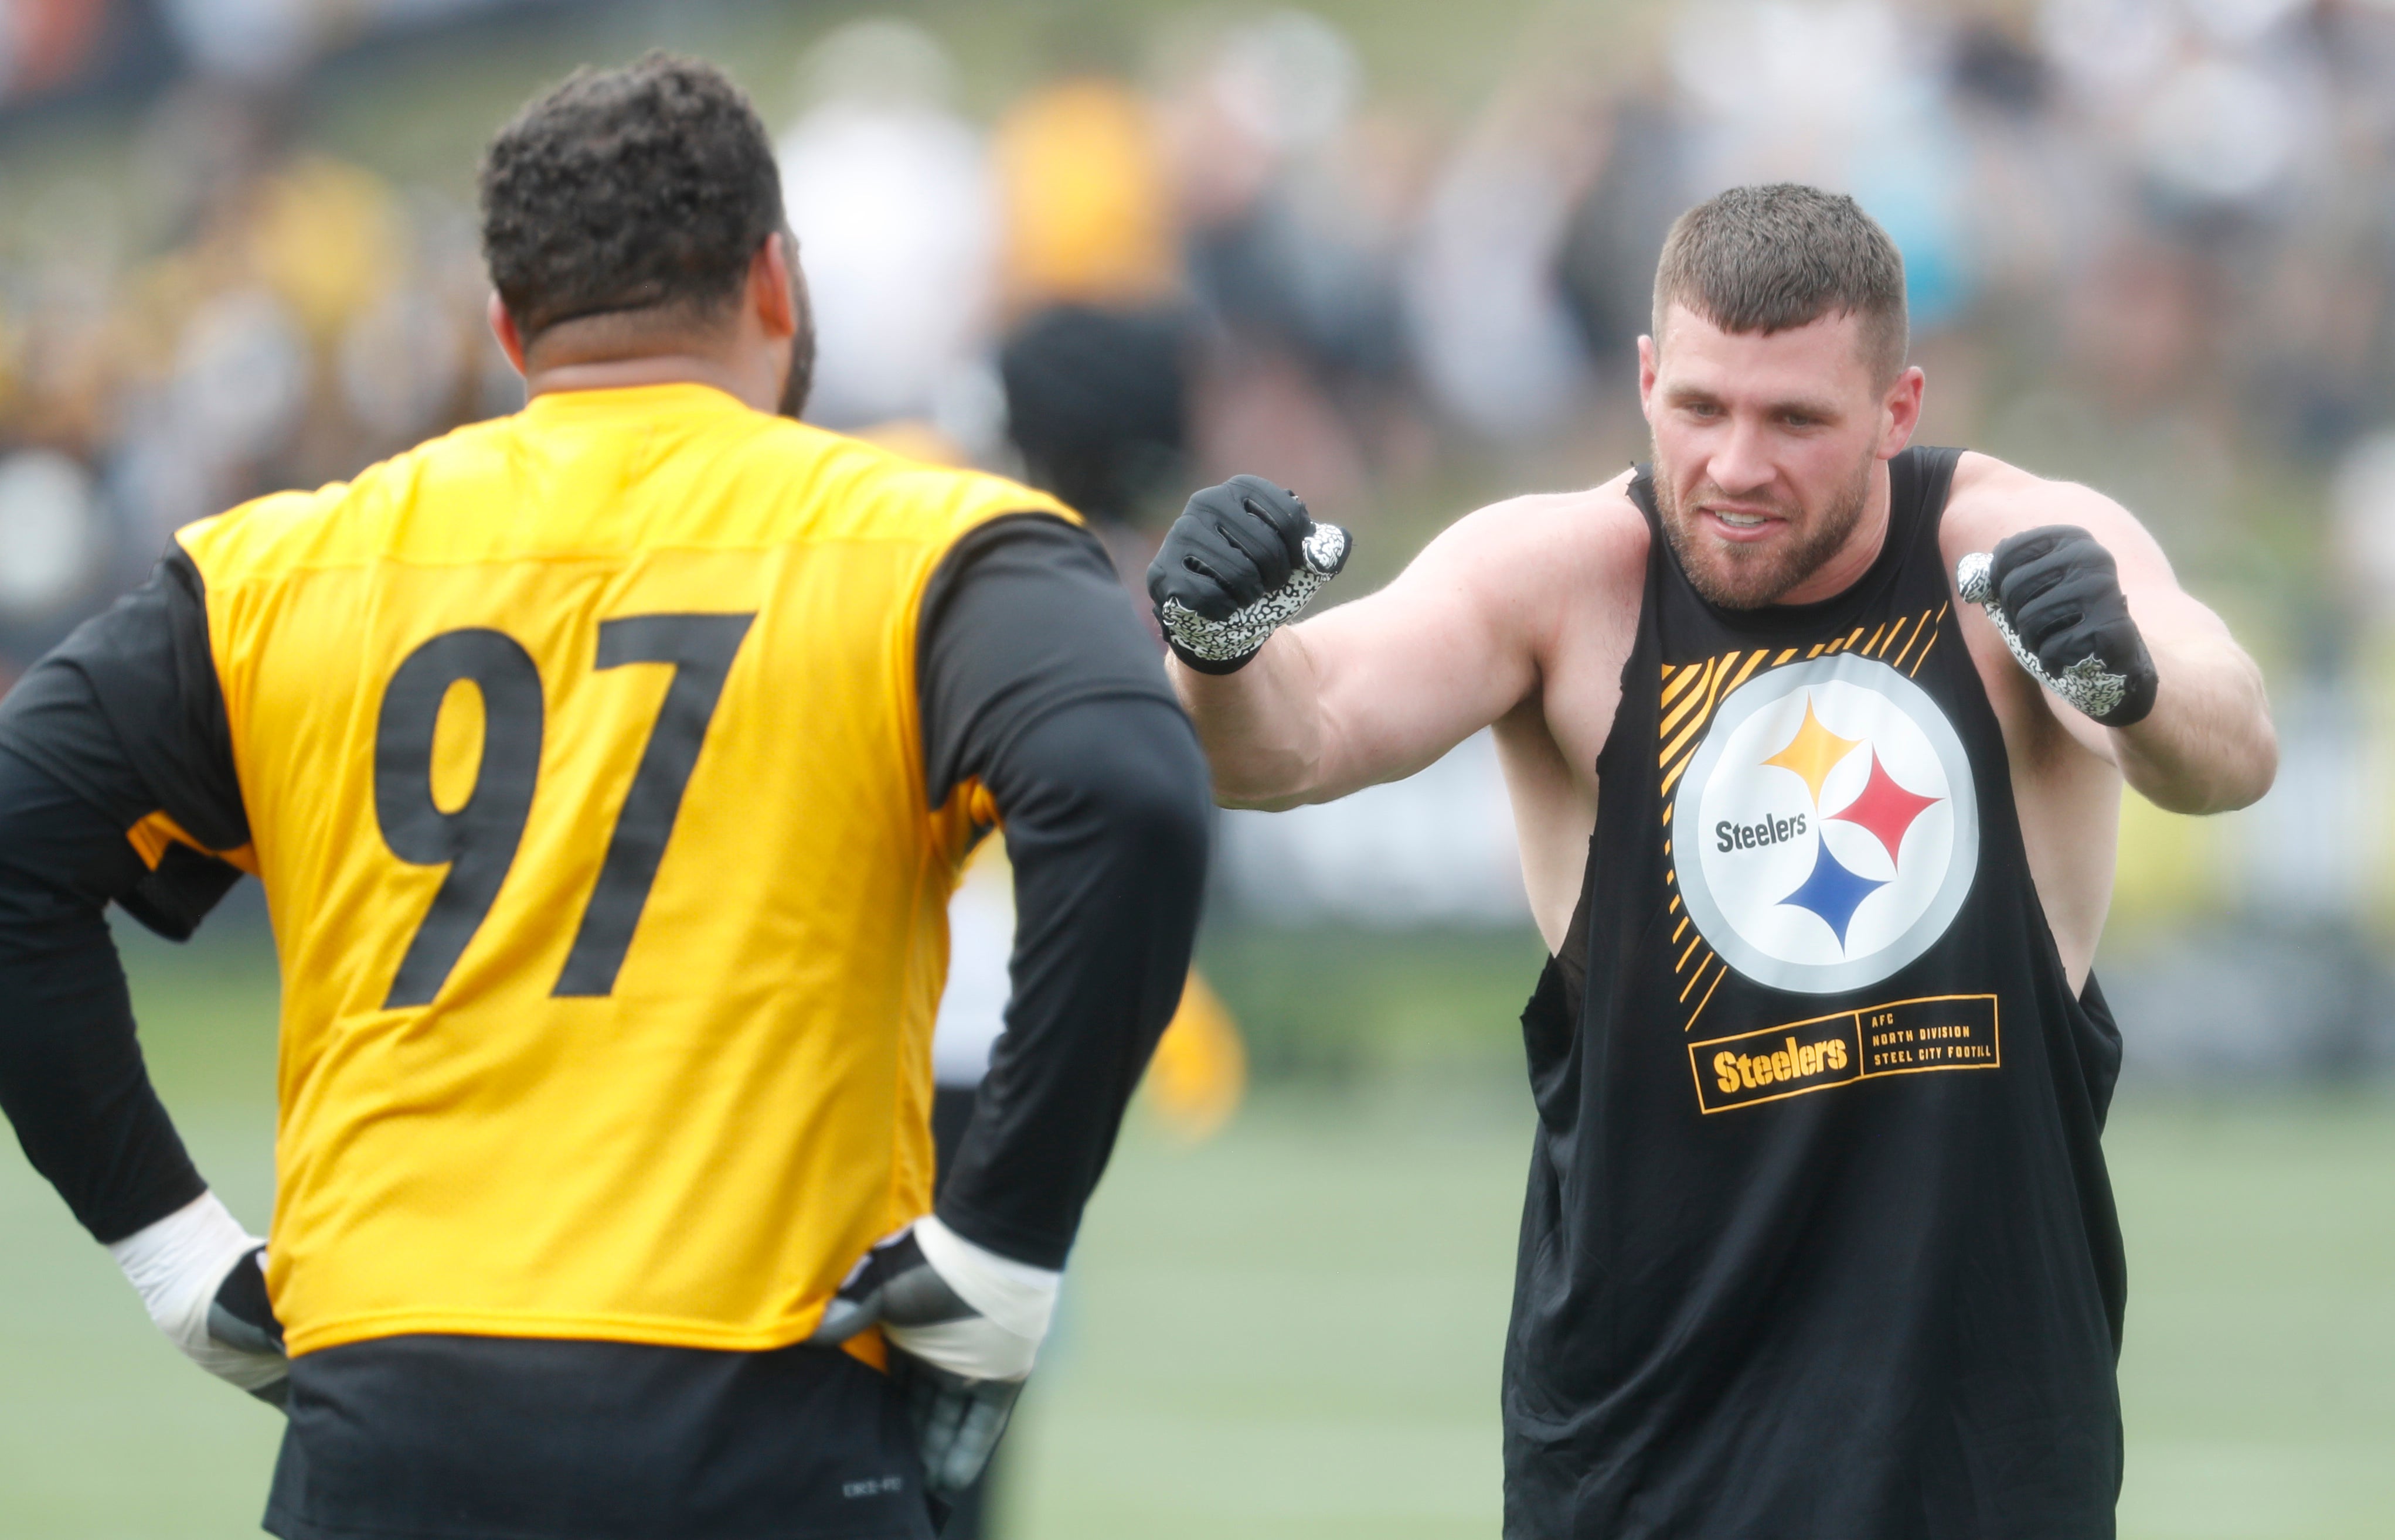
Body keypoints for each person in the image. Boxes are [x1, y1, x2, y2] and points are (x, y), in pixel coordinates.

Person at [0, 54, 1210, 1540]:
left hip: (392, 1410)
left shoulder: (287, 568)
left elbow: (14, 843)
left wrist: (175, 1254)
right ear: (775, 282)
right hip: (761, 1406)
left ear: (511, 329)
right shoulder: (928, 542)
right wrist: (1005, 1240)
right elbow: (1132, 795)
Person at [1147, 183, 2275, 1537]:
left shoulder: (2007, 553)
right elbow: (1289, 739)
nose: (1738, 465)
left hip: (1982, 1468)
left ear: (1897, 410)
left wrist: (2124, 677)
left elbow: (2231, 747)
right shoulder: (1561, 580)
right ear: (1645, 382)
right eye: (1700, 409)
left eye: (1796, 419)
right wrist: (1215, 650)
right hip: (1638, 1467)